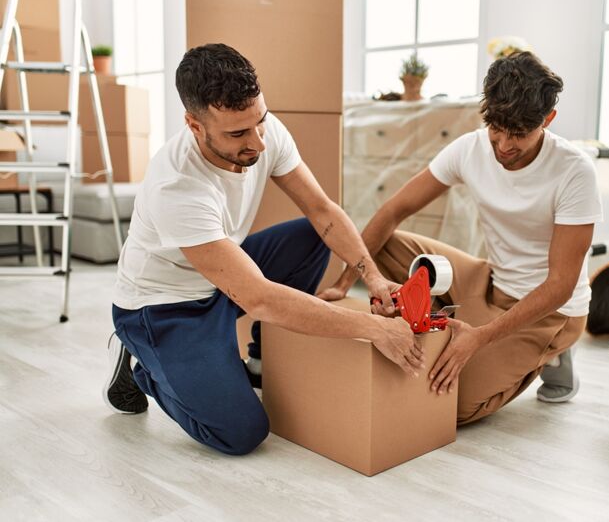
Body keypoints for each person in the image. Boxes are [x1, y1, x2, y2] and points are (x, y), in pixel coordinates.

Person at [103, 44, 423, 455]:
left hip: (223, 276)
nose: (257, 142)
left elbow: (323, 211)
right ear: (194, 125)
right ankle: (143, 365)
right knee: (241, 434)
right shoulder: (177, 187)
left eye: (260, 122)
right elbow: (259, 297)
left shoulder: (262, 131)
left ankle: (261, 356)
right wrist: (375, 328)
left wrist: (373, 277)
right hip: (164, 307)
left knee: (312, 234)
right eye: (237, 134)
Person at [319, 51, 602, 424]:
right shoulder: (470, 148)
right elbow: (392, 210)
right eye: (496, 129)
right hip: (490, 279)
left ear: (547, 120)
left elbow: (561, 284)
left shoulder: (574, 172)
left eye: (519, 134)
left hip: (551, 309)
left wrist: (480, 338)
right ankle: (451, 326)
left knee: (454, 405)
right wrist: (346, 282)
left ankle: (553, 353)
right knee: (383, 243)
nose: (503, 146)